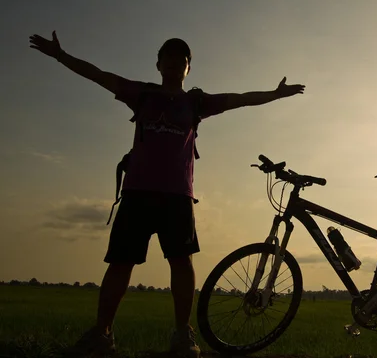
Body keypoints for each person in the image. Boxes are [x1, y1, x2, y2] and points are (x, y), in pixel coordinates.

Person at [29, 31, 305, 358]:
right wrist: (61, 56)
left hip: (177, 197)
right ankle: (101, 334)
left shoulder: (196, 102)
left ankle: (182, 335)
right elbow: (98, 75)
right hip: (137, 194)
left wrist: (274, 94)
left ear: (189, 68)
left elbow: (240, 97)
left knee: (181, 264)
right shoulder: (142, 94)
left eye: (182, 61)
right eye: (169, 59)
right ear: (159, 64)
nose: (175, 65)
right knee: (120, 263)